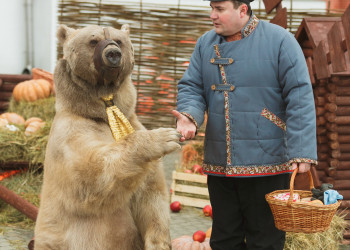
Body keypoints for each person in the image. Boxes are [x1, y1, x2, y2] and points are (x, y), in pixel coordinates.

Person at [172, 0, 318, 249]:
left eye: (219, 9)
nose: (212, 16)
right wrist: (189, 115)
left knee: (265, 241)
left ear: (243, 10)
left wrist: (302, 150)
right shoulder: (205, 44)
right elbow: (192, 87)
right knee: (224, 240)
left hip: (268, 162)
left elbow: (299, 95)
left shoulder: (280, 41)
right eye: (212, 8)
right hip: (220, 163)